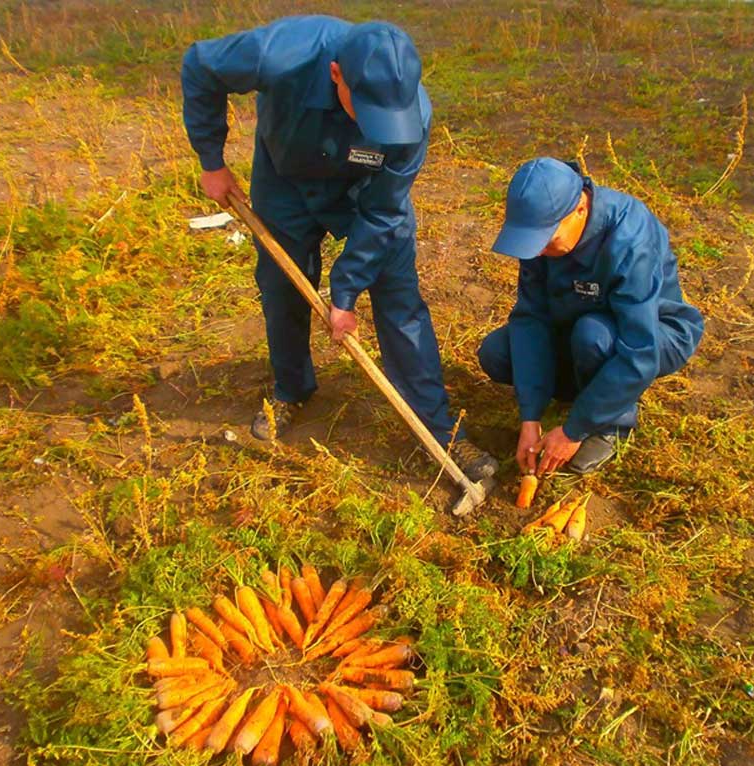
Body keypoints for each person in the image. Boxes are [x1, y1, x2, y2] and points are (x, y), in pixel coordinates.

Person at [181, 16, 496, 480]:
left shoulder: (413, 121)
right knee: (281, 287)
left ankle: (439, 430)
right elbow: (200, 65)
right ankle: (291, 390)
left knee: (399, 299)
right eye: (366, 110)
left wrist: (344, 294)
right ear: (335, 75)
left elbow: (385, 213)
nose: (379, 126)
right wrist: (211, 161)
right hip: (286, 180)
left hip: (365, 194)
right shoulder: (280, 54)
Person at [478, 158, 704, 475]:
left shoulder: (629, 239)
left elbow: (639, 348)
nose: (538, 252)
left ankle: (611, 424)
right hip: (578, 321)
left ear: (580, 209)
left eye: (546, 241)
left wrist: (574, 430)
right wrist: (530, 416)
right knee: (498, 353)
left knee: (592, 335)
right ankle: (589, 394)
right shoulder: (542, 236)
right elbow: (531, 318)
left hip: (652, 335)